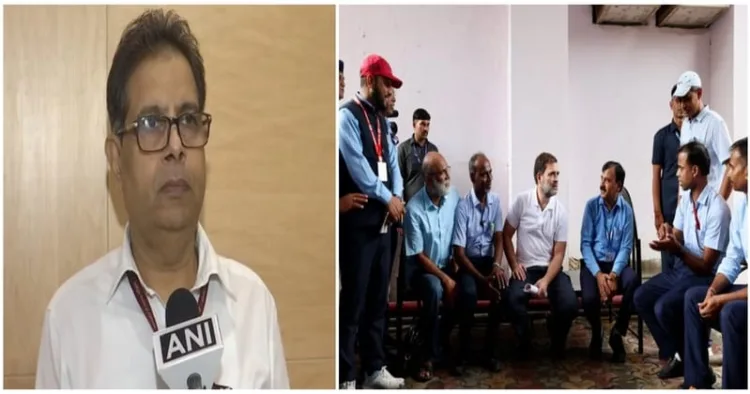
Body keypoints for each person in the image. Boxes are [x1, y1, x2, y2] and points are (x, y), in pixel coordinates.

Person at [34, 9, 289, 389]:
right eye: (152, 124)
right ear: (116, 159)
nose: (175, 146)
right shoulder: (69, 321)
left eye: (188, 120)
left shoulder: (254, 305)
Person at [635, 141, 730, 379]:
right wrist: (668, 234)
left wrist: (676, 249)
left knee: (664, 307)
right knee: (641, 297)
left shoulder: (718, 209)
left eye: (680, 168)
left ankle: (693, 365)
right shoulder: (686, 200)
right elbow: (677, 234)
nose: (676, 174)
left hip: (703, 275)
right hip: (682, 268)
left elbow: (707, 264)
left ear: (695, 171)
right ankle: (682, 356)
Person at [338, 53, 405, 390]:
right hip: (359, 226)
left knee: (379, 300)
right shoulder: (346, 117)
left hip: (383, 226)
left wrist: (398, 195)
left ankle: (374, 368)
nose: (390, 89)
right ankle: (346, 375)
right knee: (354, 300)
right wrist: (386, 197)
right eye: (386, 83)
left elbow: (392, 163)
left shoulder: (382, 120)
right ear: (369, 82)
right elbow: (359, 169)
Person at [682, 137, 748, 389]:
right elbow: (732, 258)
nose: (727, 173)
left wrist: (722, 300)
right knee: (694, 297)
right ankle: (696, 382)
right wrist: (713, 290)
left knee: (732, 312)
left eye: (732, 166)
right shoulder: (743, 204)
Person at [502, 152, 577, 359]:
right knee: (511, 299)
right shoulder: (522, 201)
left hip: (550, 270)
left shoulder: (560, 211)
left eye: (558, 174)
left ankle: (557, 336)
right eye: (552, 174)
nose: (556, 180)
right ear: (539, 177)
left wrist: (546, 280)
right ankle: (524, 338)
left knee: (570, 304)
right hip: (525, 269)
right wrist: (514, 264)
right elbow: (506, 235)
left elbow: (559, 253)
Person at [404, 151, 460, 382]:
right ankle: (425, 357)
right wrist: (445, 279)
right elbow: (418, 256)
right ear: (427, 179)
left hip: (447, 264)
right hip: (422, 271)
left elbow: (459, 231)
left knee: (466, 291)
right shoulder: (414, 209)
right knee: (435, 289)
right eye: (441, 174)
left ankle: (443, 345)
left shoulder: (453, 196)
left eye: (447, 171)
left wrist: (457, 260)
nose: (447, 177)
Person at [451, 153, 506, 373]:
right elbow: (459, 253)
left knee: (500, 292)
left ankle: (489, 353)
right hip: (468, 265)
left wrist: (496, 266)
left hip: (488, 262)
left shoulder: (495, 201)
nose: (489, 178)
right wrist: (482, 279)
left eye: (490, 172)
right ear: (473, 176)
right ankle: (462, 355)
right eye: (484, 174)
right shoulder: (463, 207)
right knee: (468, 296)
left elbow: (499, 237)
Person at [580, 161, 637, 363]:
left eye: (608, 180)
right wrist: (598, 275)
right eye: (601, 179)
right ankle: (597, 332)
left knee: (633, 281)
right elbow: (585, 245)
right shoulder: (591, 207)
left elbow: (626, 247)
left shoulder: (627, 211)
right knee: (588, 299)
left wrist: (613, 275)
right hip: (593, 265)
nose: (602, 184)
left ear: (619, 186)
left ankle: (617, 333)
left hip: (616, 266)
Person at [672, 71, 732, 199]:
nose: (683, 105)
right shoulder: (686, 124)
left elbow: (730, 165)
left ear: (699, 94)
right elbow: (684, 166)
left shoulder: (715, 123)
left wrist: (719, 202)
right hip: (689, 204)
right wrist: (681, 203)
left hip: (709, 201)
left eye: (687, 99)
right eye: (680, 100)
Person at [652, 84, 684, 273]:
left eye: (684, 100)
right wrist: (658, 213)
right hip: (669, 207)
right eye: (677, 100)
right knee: (669, 264)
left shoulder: (695, 134)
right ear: (671, 104)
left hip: (690, 209)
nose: (681, 105)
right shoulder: (661, 137)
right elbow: (656, 176)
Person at [397, 108, 438, 203]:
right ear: (414, 125)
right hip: (410, 204)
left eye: (428, 125)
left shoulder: (433, 150)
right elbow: (398, 178)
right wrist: (400, 201)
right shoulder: (403, 148)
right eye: (422, 124)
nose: (426, 129)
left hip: (430, 204)